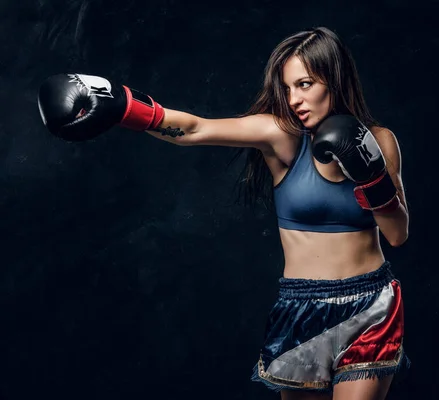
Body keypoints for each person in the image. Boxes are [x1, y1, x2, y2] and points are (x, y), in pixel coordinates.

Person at [37, 27, 410, 400]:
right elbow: (195, 128)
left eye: (305, 84)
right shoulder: (281, 137)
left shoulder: (380, 140)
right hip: (301, 305)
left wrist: (372, 176)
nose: (294, 99)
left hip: (370, 303)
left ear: (334, 78)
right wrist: (123, 106)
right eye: (287, 88)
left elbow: (397, 234)